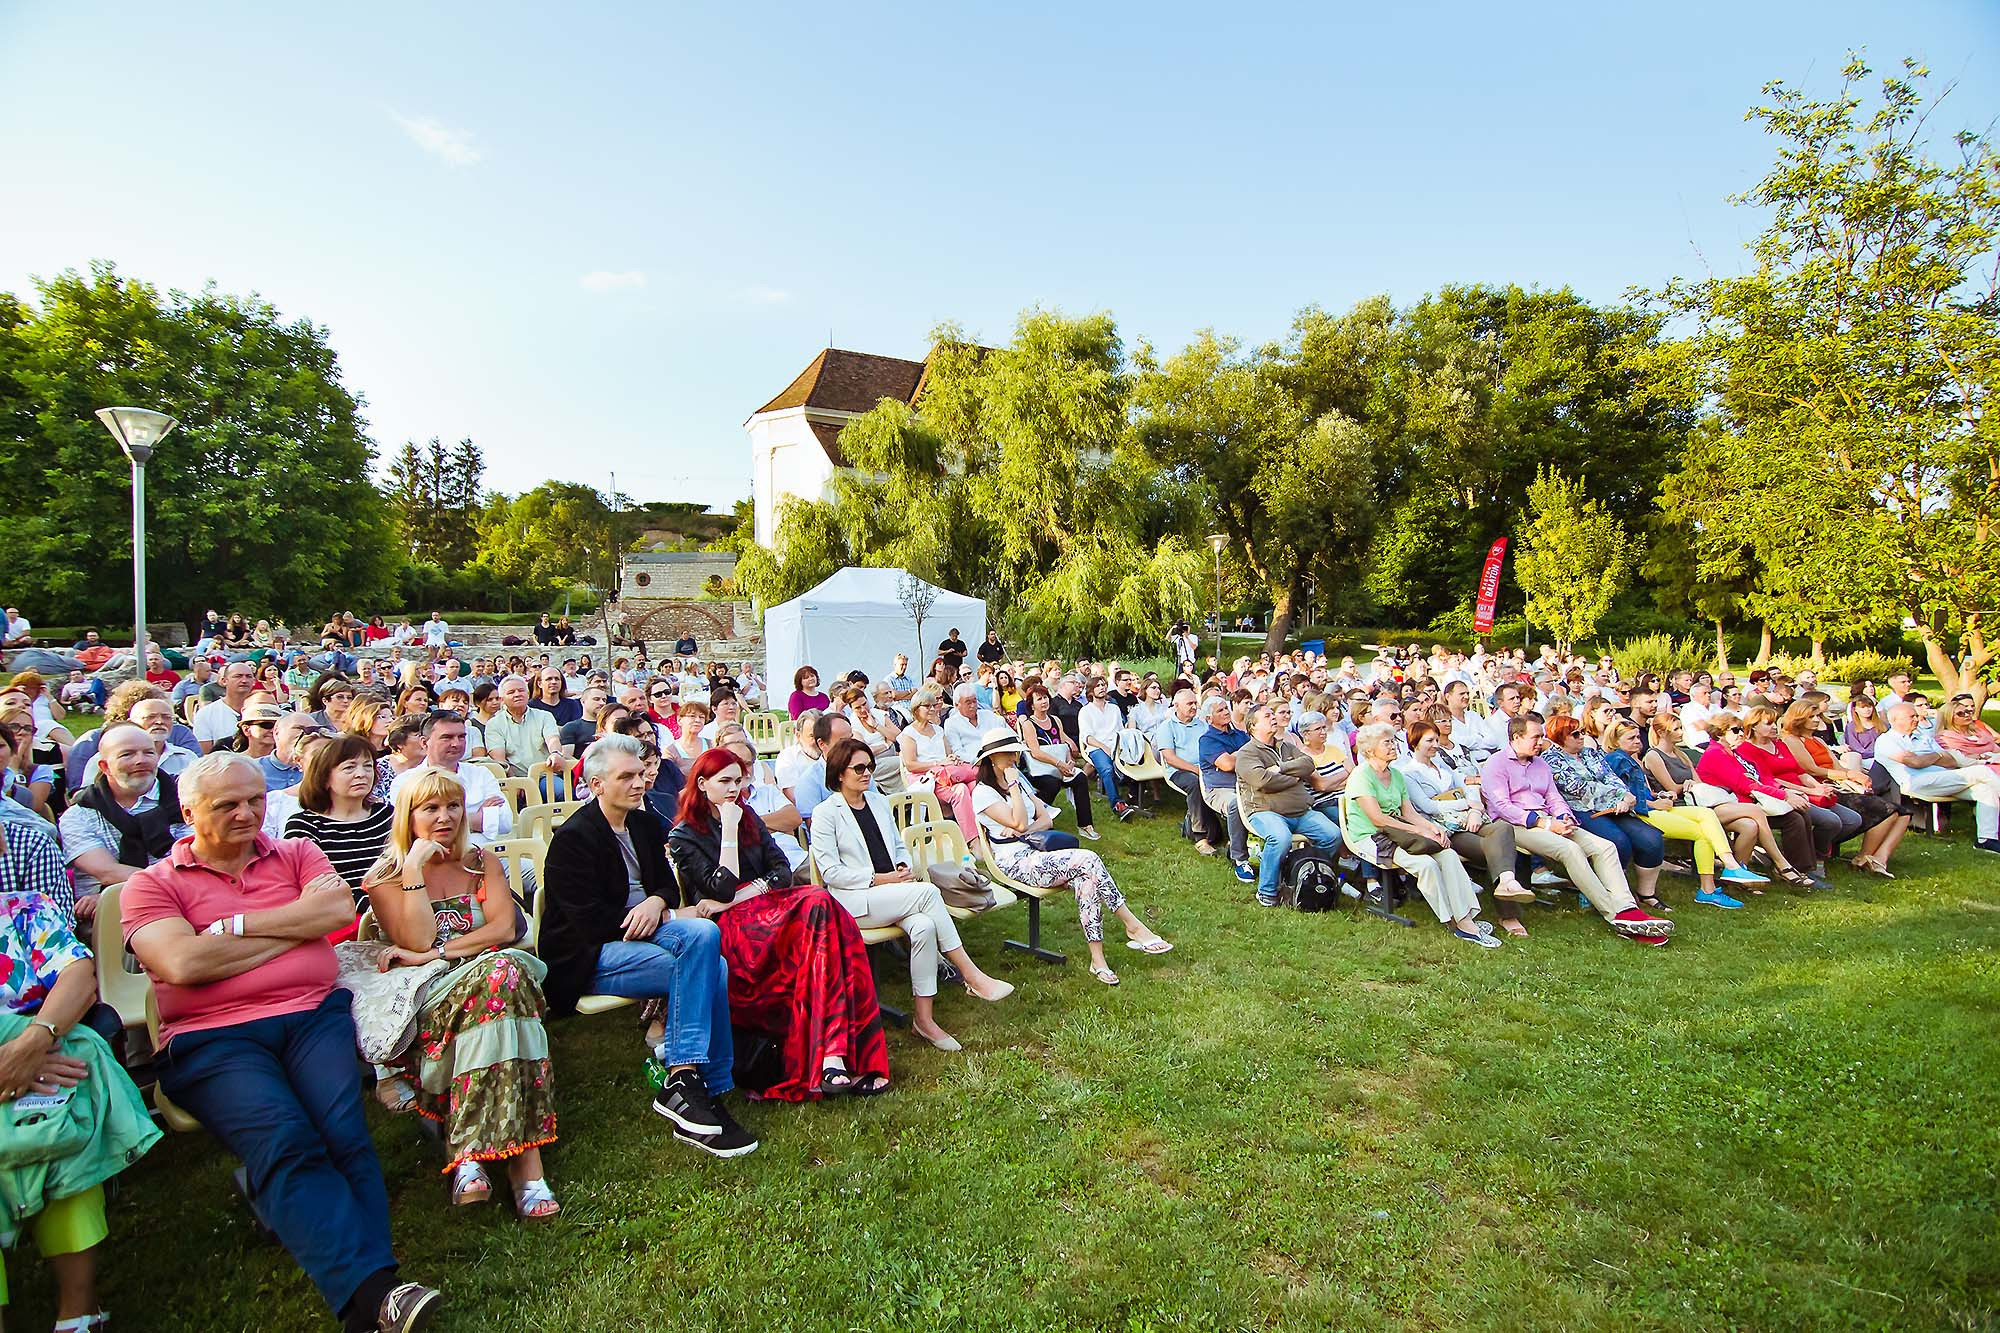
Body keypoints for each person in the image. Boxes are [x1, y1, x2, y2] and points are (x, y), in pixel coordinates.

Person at [122, 752, 443, 1332]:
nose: (247, 813)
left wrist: (233, 929)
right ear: (189, 812)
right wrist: (296, 932)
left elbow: (337, 910)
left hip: (311, 1016)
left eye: (255, 800)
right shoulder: (151, 884)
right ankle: (378, 1295)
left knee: (344, 1134)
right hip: (211, 1037)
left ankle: (370, 1300)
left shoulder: (295, 853)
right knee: (286, 1139)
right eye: (228, 805)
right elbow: (183, 963)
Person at [537, 736, 754, 1156]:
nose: (639, 783)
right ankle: (699, 1081)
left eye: (640, 774)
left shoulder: (644, 824)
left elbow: (664, 887)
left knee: (705, 938)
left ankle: (690, 1078)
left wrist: (657, 903)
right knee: (710, 966)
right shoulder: (574, 838)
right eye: (626, 777)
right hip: (590, 952)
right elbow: (587, 921)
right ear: (597, 784)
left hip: (646, 933)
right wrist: (665, 916)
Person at [358, 770, 559, 1217]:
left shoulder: (480, 862)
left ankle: (469, 1153)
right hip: (432, 994)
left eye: (453, 806)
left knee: (500, 977)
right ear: (408, 816)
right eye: (430, 808)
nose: (445, 817)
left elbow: (503, 929)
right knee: (504, 984)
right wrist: (414, 870)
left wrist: (438, 952)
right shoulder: (385, 877)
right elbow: (414, 939)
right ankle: (527, 1168)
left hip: (494, 979)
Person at [0, 826, 161, 1330]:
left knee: (64, 1125)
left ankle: (77, 1312)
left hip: (45, 1055)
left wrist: (32, 1045)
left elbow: (77, 976)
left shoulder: (24, 911)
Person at [668, 747, 890, 1100]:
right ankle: (835, 1056)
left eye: (738, 781)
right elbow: (721, 886)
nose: (733, 789)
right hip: (732, 928)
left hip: (769, 909)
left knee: (822, 911)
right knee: (821, 906)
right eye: (724, 781)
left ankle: (832, 1056)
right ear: (702, 783)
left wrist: (740, 895)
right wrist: (729, 831)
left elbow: (782, 871)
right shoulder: (684, 836)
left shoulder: (748, 817)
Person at [809, 738, 1014, 1052]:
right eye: (859, 768)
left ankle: (924, 1020)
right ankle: (971, 975)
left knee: (924, 926)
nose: (867, 773)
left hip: (894, 891)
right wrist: (881, 879)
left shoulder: (877, 801)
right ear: (839, 773)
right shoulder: (826, 813)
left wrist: (903, 866)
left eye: (870, 767)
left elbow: (898, 844)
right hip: (854, 900)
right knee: (928, 893)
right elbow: (831, 873)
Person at [969, 728, 1170, 987]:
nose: (1013, 758)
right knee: (1088, 860)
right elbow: (1019, 821)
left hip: (1038, 853)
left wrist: (1023, 828)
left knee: (1087, 880)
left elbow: (1045, 819)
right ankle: (1133, 926)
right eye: (1007, 753)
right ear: (991, 759)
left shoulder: (1017, 779)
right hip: (1014, 862)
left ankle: (1098, 960)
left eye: (1015, 752)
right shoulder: (983, 792)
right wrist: (1015, 794)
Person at [1480, 716, 1673, 942]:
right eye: (1535, 737)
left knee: (1605, 847)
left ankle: (1627, 907)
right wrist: (1544, 823)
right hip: (1517, 825)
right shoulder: (1496, 764)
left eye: (1542, 737)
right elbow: (1502, 807)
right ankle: (1616, 916)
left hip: (1550, 819)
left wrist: (1564, 817)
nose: (1541, 742)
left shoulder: (1540, 764)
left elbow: (1553, 797)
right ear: (1516, 737)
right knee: (1570, 850)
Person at [1348, 723, 1498, 947]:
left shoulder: (1396, 775)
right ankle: (1451, 920)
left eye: (1393, 741)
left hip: (1399, 831)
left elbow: (1409, 813)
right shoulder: (1362, 775)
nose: (1393, 746)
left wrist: (1432, 829)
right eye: (1387, 743)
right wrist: (1419, 830)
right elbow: (1377, 819)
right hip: (1372, 836)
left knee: (1448, 854)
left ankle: (1466, 916)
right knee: (1426, 865)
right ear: (1370, 750)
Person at [1601, 719, 1768, 907]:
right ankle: (1710, 888)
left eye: (1638, 737)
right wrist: (1654, 803)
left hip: (1654, 806)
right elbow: (1620, 793)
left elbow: (1642, 791)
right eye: (1631, 738)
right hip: (1641, 814)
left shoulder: (1630, 758)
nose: (1637, 741)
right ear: (1615, 741)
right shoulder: (1616, 759)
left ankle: (1730, 866)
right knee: (1702, 832)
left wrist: (1660, 795)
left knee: (1706, 814)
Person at [1395, 721, 1535, 936]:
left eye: (1436, 740)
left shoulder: (1443, 766)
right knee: (1497, 850)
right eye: (1429, 741)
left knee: (1503, 828)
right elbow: (1428, 806)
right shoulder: (1409, 773)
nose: (1435, 745)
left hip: (1469, 819)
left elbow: (1469, 789)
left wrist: (1474, 811)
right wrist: (1465, 804)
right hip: (1447, 829)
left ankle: (1507, 882)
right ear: (1415, 743)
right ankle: (1509, 913)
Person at [1543, 715, 1672, 915]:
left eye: (1582, 732)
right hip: (1581, 809)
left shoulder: (1590, 753)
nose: (1581, 737)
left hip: (1616, 806)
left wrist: (1625, 796)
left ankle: (1646, 893)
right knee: (1618, 841)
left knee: (1651, 839)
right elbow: (1580, 788)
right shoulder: (1551, 759)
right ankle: (1603, 891)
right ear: (1560, 737)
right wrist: (1619, 797)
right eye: (1575, 734)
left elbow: (1611, 777)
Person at [59, 724, 186, 926]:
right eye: (127, 754)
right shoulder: (80, 815)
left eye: (148, 752)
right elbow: (108, 872)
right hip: (110, 916)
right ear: (105, 766)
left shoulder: (187, 802)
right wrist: (115, 897)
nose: (140, 760)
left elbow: (199, 860)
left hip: (184, 904)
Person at [1694, 712, 1823, 888]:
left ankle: (1741, 874)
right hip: (1722, 805)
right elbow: (1745, 785)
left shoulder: (1735, 753)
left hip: (1744, 804)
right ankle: (1783, 865)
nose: (1741, 733)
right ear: (1720, 733)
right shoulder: (1716, 754)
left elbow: (1763, 778)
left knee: (1792, 816)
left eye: (1742, 729)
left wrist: (1786, 791)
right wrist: (1784, 796)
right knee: (1774, 817)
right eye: (1735, 730)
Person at [1775, 702, 1907, 876]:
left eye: (1817, 716)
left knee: (1903, 813)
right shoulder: (1792, 740)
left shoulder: (1819, 740)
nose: (1816, 720)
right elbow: (1812, 770)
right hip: (1819, 788)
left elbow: (1838, 767)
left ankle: (1877, 858)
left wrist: (1856, 780)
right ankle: (1862, 857)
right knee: (1888, 810)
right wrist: (1850, 775)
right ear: (1798, 719)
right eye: (1811, 717)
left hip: (1837, 786)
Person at [1234, 705, 1342, 908]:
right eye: (1267, 716)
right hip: (1265, 811)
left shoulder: (1286, 747)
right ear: (1253, 725)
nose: (1273, 718)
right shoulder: (1247, 753)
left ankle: (1302, 872)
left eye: (1272, 714)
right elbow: (1263, 781)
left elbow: (1308, 764)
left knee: (1333, 835)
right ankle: (1267, 891)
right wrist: (1294, 778)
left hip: (1301, 812)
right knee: (1280, 838)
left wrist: (1281, 768)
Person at [1735, 706, 1865, 867]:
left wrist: (1818, 787)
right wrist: (1810, 791)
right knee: (1830, 821)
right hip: (1783, 794)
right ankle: (1815, 859)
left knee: (1852, 820)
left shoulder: (1779, 744)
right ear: (1753, 726)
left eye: (1775, 723)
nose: (1774, 727)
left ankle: (1811, 850)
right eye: (1768, 724)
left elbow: (1800, 772)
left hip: (1805, 790)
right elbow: (1769, 780)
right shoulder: (1747, 749)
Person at [284, 733, 396, 911]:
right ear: (325, 777)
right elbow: (320, 887)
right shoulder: (304, 825)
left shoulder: (388, 815)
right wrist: (376, 908)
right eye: (349, 768)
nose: (361, 774)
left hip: (397, 907)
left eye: (368, 766)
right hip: (342, 915)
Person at [1874, 702, 2000, 853]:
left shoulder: (1923, 737)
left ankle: (1986, 840)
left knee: (1984, 789)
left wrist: (1930, 756)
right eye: (1911, 716)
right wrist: (1936, 756)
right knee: (1982, 771)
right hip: (1917, 782)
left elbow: (1951, 761)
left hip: (1942, 778)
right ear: (1895, 720)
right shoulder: (1886, 741)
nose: (1916, 719)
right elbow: (1914, 763)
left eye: (1916, 716)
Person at [1015, 685, 1102, 842]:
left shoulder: (1055, 720)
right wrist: (1059, 764)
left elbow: (1062, 745)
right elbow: (1036, 752)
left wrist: (1069, 762)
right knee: (1052, 784)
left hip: (1059, 766)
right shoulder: (1029, 724)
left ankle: (1085, 825)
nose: (1044, 701)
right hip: (1039, 769)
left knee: (1080, 778)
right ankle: (1038, 818)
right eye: (1039, 699)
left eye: (1045, 697)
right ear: (1032, 705)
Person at [1151, 687, 1222, 855]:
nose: (1194, 707)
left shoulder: (1202, 725)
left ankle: (1193, 825)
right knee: (1195, 784)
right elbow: (1170, 758)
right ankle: (1200, 837)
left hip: (1204, 769)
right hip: (1179, 771)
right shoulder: (1167, 727)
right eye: (1189, 703)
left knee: (1217, 835)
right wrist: (1196, 770)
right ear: (1176, 705)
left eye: (1195, 703)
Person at [1196, 696, 1256, 882]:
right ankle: (1240, 859)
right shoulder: (1207, 740)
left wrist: (1237, 755)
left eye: (1226, 708)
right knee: (1236, 804)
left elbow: (1258, 754)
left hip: (1247, 783)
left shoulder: (1240, 734)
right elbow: (1227, 764)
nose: (1226, 712)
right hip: (1219, 789)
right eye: (1220, 710)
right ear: (1209, 718)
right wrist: (1246, 752)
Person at [1074, 677, 1136, 821]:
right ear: (1091, 691)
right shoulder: (1085, 711)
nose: (1102, 688)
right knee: (1107, 769)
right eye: (1098, 686)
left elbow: (1121, 730)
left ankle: (1134, 796)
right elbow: (1087, 737)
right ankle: (1118, 805)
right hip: (1096, 747)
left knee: (1135, 760)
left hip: (1116, 744)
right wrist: (1105, 748)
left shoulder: (1114, 708)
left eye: (1103, 685)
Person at [482, 674, 561, 777]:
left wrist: (555, 753)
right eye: (511, 692)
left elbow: (553, 740)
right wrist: (517, 781)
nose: (517, 694)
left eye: (521, 690)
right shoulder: (494, 724)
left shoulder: (544, 716)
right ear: (502, 699)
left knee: (559, 787)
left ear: (528, 694)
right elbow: (500, 760)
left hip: (545, 775)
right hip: (513, 777)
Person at [192, 660, 258, 753]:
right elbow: (205, 754)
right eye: (238, 676)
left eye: (248, 676)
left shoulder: (263, 709)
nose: (244, 680)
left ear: (253, 681)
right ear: (224, 681)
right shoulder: (205, 714)